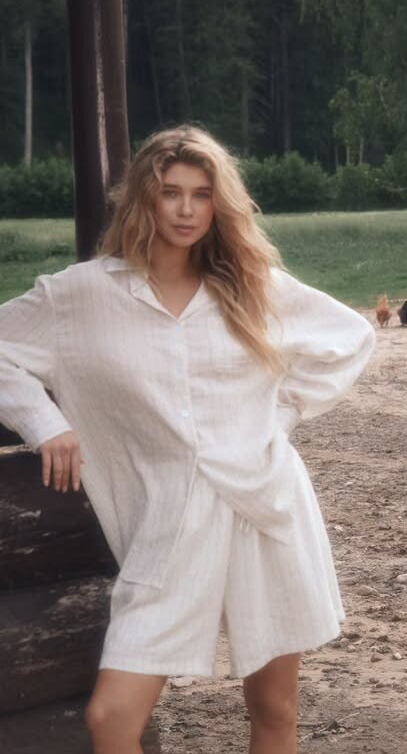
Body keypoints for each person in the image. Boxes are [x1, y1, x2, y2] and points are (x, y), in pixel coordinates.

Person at [0, 125, 375, 754]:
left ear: (218, 204)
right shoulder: (80, 295)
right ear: (142, 199)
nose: (185, 210)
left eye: (201, 195)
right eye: (170, 192)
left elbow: (351, 339)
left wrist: (276, 418)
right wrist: (46, 423)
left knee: (275, 709)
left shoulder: (252, 285)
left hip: (263, 507)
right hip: (169, 526)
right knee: (111, 719)